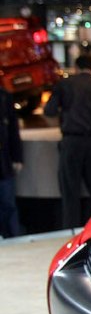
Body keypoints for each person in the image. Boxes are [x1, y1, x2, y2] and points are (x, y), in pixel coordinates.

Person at [44, 54, 91, 229]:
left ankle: (70, 231)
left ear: (76, 67)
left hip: (72, 141)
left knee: (70, 192)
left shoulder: (65, 85)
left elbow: (49, 110)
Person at [0, 85, 22, 237]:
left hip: (4, 160)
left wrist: (17, 157)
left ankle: (12, 237)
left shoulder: (4, 96)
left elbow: (13, 129)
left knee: (8, 203)